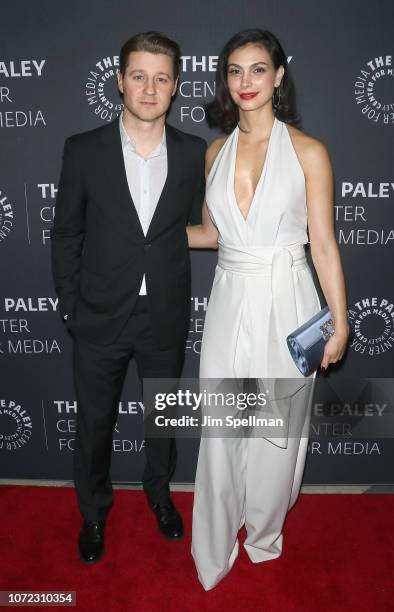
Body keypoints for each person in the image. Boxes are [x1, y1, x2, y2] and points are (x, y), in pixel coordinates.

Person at [186, 29, 349, 590]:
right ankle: (213, 540)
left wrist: (341, 319)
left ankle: (262, 534)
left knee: (277, 433)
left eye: (258, 69)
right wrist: (147, 237)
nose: (245, 82)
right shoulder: (214, 151)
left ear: (279, 76)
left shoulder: (308, 151)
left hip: (289, 301)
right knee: (223, 427)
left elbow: (322, 243)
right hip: (231, 297)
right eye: (234, 71)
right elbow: (212, 234)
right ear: (225, 81)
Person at [51, 31, 206, 564]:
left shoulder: (192, 153)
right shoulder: (83, 149)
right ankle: (93, 513)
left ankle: (160, 496)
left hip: (164, 312)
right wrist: (71, 303)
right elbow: (66, 233)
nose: (149, 87)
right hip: (98, 314)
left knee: (164, 419)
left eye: (162, 78)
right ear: (120, 81)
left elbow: (202, 226)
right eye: (138, 75)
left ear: (176, 87)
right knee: (95, 425)